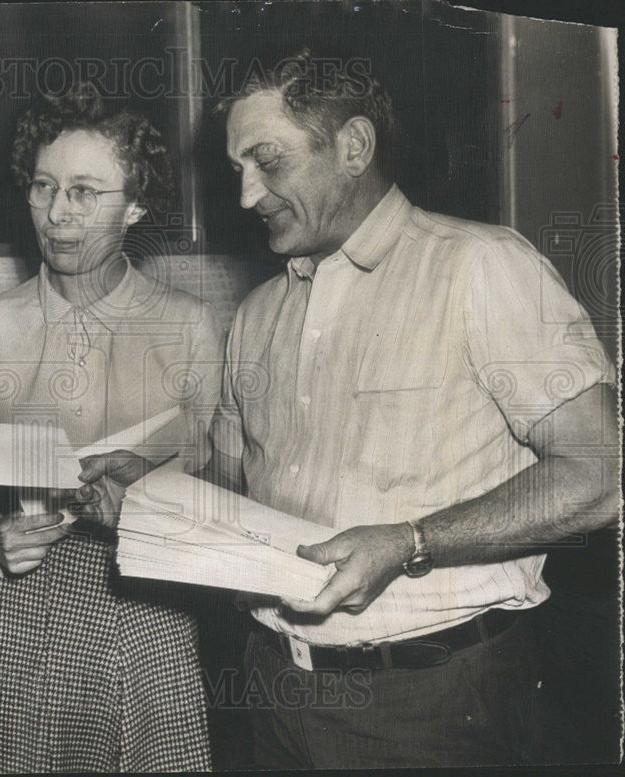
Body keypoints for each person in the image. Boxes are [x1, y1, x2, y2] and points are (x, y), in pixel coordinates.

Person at [200, 52, 618, 768]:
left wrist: (410, 542)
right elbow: (230, 485)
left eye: (267, 161)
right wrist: (143, 489)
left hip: (432, 702)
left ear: (354, 147)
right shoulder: (256, 313)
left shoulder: (481, 267)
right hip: (268, 694)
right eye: (237, 167)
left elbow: (601, 474)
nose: (245, 195)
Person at [0, 83, 223, 773]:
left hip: (146, 608)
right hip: (10, 612)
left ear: (136, 203)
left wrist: (148, 509)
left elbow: (223, 488)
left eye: (86, 192)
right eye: (43, 186)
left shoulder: (187, 324)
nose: (59, 214)